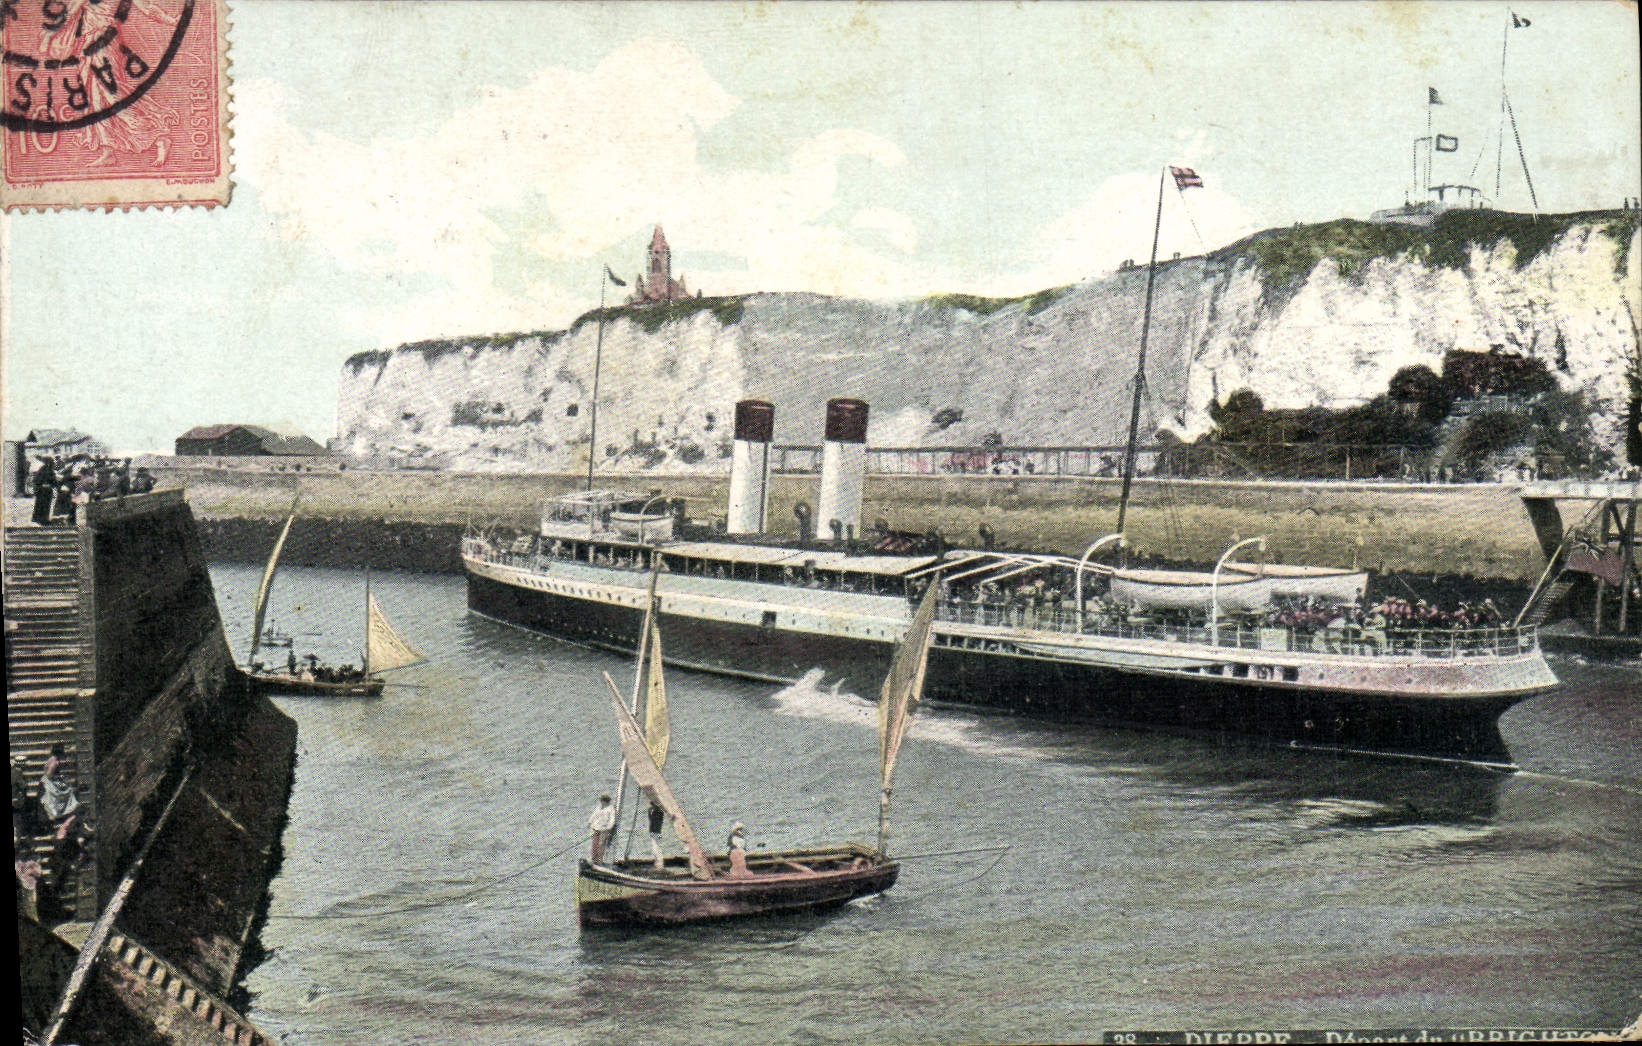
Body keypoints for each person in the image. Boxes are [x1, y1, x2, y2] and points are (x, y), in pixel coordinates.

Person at [588, 795, 616, 864]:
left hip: (604, 829)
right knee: (594, 844)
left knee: (601, 844)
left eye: (602, 801)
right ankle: (594, 859)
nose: (601, 802)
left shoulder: (611, 809)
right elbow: (594, 815)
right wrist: (590, 822)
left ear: (605, 801)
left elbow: (612, 820)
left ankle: (600, 860)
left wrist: (608, 828)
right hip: (596, 828)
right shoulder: (599, 808)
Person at [30, 458, 57, 526]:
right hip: (46, 490)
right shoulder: (48, 470)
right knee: (45, 505)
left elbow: (36, 479)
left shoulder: (42, 469)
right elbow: (53, 480)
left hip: (42, 490)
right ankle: (43, 520)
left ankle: (40, 519)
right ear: (49, 463)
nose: (53, 465)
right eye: (52, 463)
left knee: (41, 505)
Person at [647, 797, 668, 871]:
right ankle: (657, 863)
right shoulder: (651, 810)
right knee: (654, 848)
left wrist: (657, 831)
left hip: (657, 831)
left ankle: (659, 864)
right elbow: (651, 820)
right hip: (653, 831)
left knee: (657, 848)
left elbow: (658, 821)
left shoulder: (659, 811)